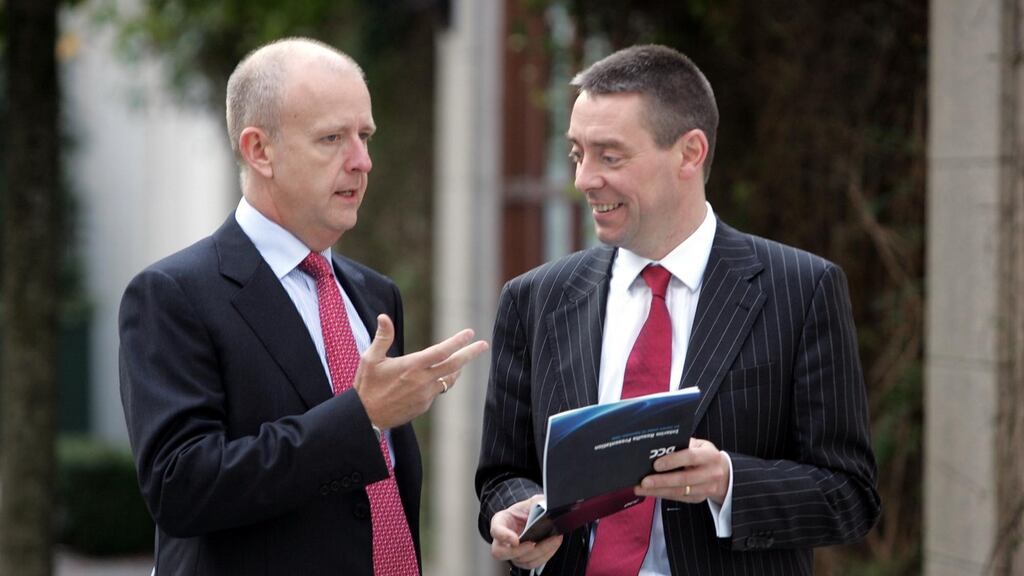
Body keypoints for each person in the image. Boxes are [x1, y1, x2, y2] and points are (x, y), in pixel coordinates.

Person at [476, 44, 880, 575]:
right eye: (578, 154)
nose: (584, 179)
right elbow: (502, 473)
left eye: (610, 156)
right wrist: (515, 513)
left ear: (690, 153)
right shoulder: (534, 299)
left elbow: (850, 495)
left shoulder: (801, 290)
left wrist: (728, 482)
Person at [119, 37, 488, 576]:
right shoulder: (174, 295)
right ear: (259, 150)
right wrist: (359, 418)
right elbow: (182, 487)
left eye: (365, 136)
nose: (362, 161)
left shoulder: (375, 294)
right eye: (332, 138)